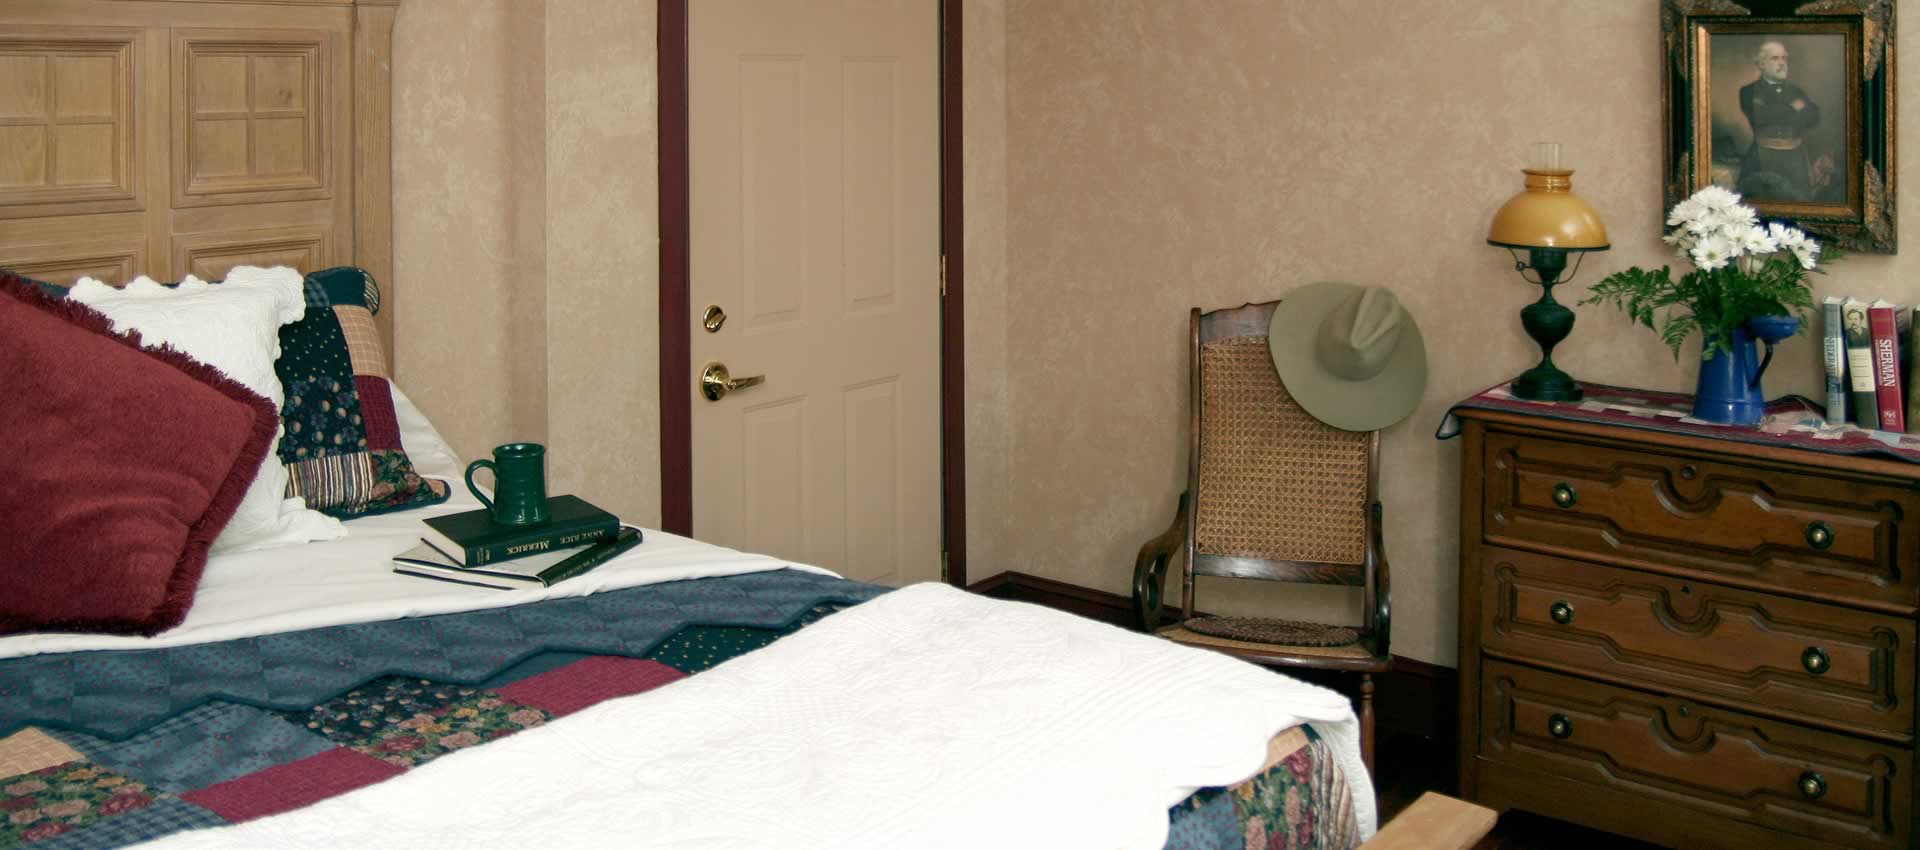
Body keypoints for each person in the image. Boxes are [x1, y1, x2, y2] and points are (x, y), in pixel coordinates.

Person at [1736, 40, 1830, 202]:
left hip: (1795, 158)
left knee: (1799, 205)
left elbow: (1813, 117)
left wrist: (1782, 109)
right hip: (1762, 157)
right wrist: (1795, 108)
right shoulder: (1748, 91)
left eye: (1784, 58)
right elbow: (1762, 118)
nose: (1782, 63)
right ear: (1761, 64)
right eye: (1775, 58)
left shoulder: (1796, 90)